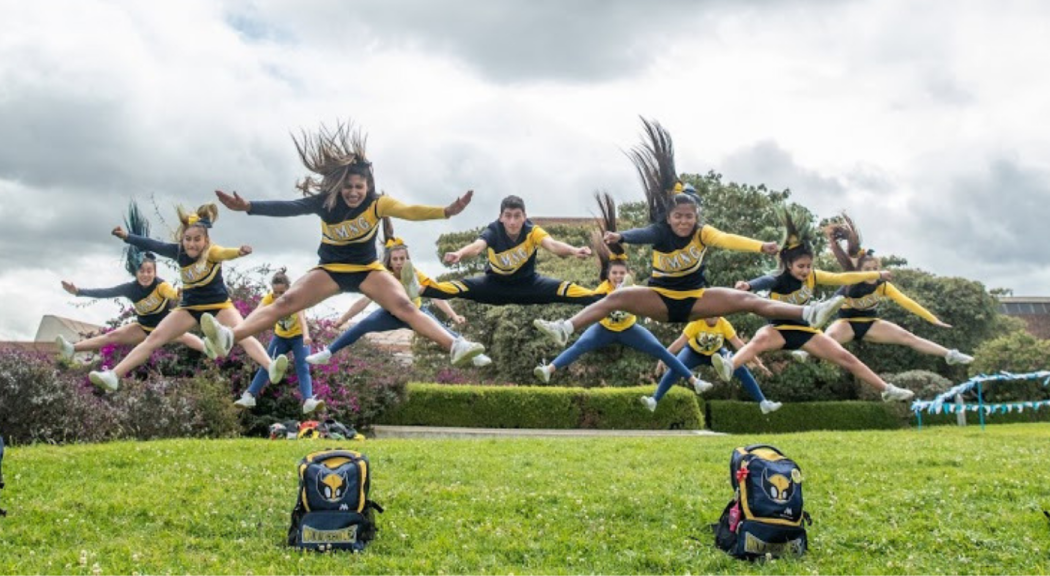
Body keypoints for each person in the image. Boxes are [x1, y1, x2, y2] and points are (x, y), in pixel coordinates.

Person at [534, 118, 845, 347]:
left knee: (748, 299)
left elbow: (726, 239)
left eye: (690, 217)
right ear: (669, 218)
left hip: (696, 300)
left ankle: (808, 312)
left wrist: (759, 246)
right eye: (679, 217)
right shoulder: (661, 231)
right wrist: (621, 237)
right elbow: (643, 233)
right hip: (661, 299)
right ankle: (565, 328)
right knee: (616, 298)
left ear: (696, 217)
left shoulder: (702, 232)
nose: (684, 222)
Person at [202, 121, 485, 368]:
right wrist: (249, 206)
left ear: (367, 186)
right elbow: (288, 207)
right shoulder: (326, 202)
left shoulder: (378, 204)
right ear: (339, 186)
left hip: (366, 269)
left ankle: (455, 345)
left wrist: (445, 212)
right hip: (331, 269)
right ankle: (229, 337)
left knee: (404, 305)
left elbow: (409, 211)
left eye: (358, 187)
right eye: (348, 187)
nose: (353, 192)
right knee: (286, 301)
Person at [710, 207, 914, 402]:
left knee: (846, 357)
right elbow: (764, 281)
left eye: (808, 266)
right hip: (779, 329)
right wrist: (748, 285)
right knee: (760, 339)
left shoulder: (814, 276)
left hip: (805, 332)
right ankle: (730, 366)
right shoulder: (779, 278)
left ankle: (886, 389)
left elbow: (844, 278)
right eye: (800, 266)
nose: (805, 270)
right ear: (789, 265)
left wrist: (876, 274)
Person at [531, 193, 712, 403]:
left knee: (659, 350)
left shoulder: (632, 289)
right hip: (604, 329)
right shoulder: (602, 290)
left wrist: (651, 315)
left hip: (629, 329)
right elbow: (588, 299)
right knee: (579, 346)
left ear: (629, 275)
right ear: (608, 276)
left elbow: (652, 302)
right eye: (614, 274)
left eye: (621, 274)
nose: (618, 276)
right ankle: (549, 369)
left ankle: (694, 381)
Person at [88, 203, 288, 391]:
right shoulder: (178, 251)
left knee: (243, 334)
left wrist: (239, 252)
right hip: (189, 307)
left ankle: (270, 367)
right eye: (188, 239)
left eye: (196, 239)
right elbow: (153, 244)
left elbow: (226, 253)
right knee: (154, 338)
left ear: (205, 240)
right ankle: (114, 375)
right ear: (182, 239)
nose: (191, 244)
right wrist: (127, 237)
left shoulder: (212, 252)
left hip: (219, 305)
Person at [306, 217, 492, 367]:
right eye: (395, 258)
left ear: (407, 259)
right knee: (361, 326)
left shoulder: (414, 273)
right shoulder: (382, 276)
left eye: (402, 258)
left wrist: (454, 314)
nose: (399, 262)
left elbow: (436, 295)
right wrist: (342, 319)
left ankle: (476, 356)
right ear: (390, 260)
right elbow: (364, 301)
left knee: (444, 331)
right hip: (389, 314)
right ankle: (327, 353)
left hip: (416, 312)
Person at [790, 213, 973, 365]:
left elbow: (907, 302)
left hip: (871, 324)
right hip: (847, 324)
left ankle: (950, 354)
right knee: (829, 337)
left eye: (874, 270)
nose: (871, 273)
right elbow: (827, 310)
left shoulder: (883, 286)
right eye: (867, 270)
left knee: (908, 337)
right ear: (859, 272)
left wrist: (933, 319)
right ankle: (807, 353)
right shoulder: (850, 286)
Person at [57, 201, 206, 359]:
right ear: (136, 273)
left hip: (164, 328)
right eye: (142, 271)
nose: (146, 275)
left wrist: (178, 294)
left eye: (150, 271)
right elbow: (106, 292)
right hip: (143, 328)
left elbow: (171, 292)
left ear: (155, 272)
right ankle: (72, 348)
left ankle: (211, 350)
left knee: (185, 337)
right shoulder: (131, 288)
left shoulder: (160, 286)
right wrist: (78, 292)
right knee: (111, 337)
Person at [404, 194, 601, 306]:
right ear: (501, 217)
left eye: (517, 216)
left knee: (566, 289)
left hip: (529, 285)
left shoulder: (532, 231)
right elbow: (477, 247)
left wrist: (575, 250)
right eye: (508, 216)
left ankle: (607, 299)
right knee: (458, 287)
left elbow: (553, 245)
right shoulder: (494, 231)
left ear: (524, 216)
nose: (513, 221)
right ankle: (418, 288)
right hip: (494, 286)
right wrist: (460, 253)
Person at [234, 268, 325, 414]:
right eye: (275, 292)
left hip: (298, 337)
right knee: (267, 364)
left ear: (288, 290)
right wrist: (242, 328)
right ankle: (249, 396)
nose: (278, 296)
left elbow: (302, 319)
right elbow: (257, 313)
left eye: (281, 293)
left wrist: (306, 336)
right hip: (280, 338)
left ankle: (308, 400)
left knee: (303, 366)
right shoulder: (269, 299)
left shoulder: (295, 298)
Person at [645, 316, 781, 414]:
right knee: (676, 368)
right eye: (710, 315)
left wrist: (758, 364)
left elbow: (740, 345)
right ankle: (654, 400)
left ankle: (764, 403)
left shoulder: (723, 323)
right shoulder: (696, 322)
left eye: (716, 315)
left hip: (715, 354)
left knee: (741, 369)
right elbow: (679, 342)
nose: (713, 318)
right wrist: (662, 358)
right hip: (693, 352)